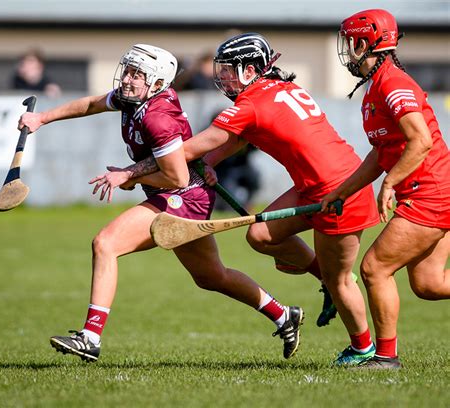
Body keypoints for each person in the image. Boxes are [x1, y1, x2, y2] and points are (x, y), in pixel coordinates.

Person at [100, 33, 382, 367]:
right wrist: (208, 165)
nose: (221, 77)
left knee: (341, 281)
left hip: (341, 190)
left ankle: (363, 348)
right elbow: (236, 140)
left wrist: (130, 173)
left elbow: (185, 150)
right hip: (317, 183)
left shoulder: (250, 105)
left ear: (250, 70)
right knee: (261, 236)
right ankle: (325, 276)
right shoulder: (279, 88)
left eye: (229, 70)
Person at [18, 44, 304, 362]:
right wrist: (42, 118)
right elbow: (91, 103)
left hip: (184, 196)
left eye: (136, 74)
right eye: (127, 70)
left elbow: (177, 177)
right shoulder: (133, 98)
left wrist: (130, 176)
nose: (127, 79)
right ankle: (284, 315)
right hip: (177, 192)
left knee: (105, 244)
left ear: (156, 83)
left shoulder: (158, 118)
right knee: (212, 276)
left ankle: (91, 336)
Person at [322, 9, 450, 369]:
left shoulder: (393, 84)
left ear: (366, 43)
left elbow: (420, 141)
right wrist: (343, 191)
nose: (348, 51)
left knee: (375, 269)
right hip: (432, 190)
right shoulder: (375, 88)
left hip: (432, 192)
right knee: (429, 284)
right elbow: (381, 153)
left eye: (351, 43)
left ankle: (385, 357)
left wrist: (391, 184)